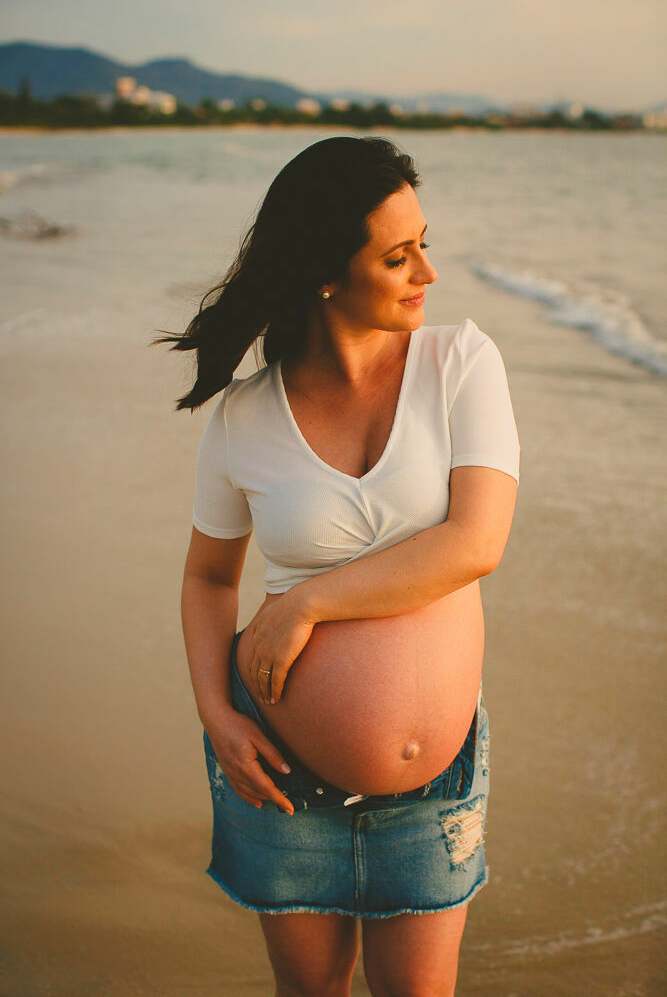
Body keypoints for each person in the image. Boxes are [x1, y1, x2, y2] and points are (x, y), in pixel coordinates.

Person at [158, 136, 519, 997]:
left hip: (432, 789)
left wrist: (303, 604)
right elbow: (208, 579)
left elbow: (475, 545)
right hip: (279, 775)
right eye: (397, 257)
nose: (426, 272)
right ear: (325, 271)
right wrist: (216, 714)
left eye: (423, 243)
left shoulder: (460, 362)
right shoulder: (246, 415)